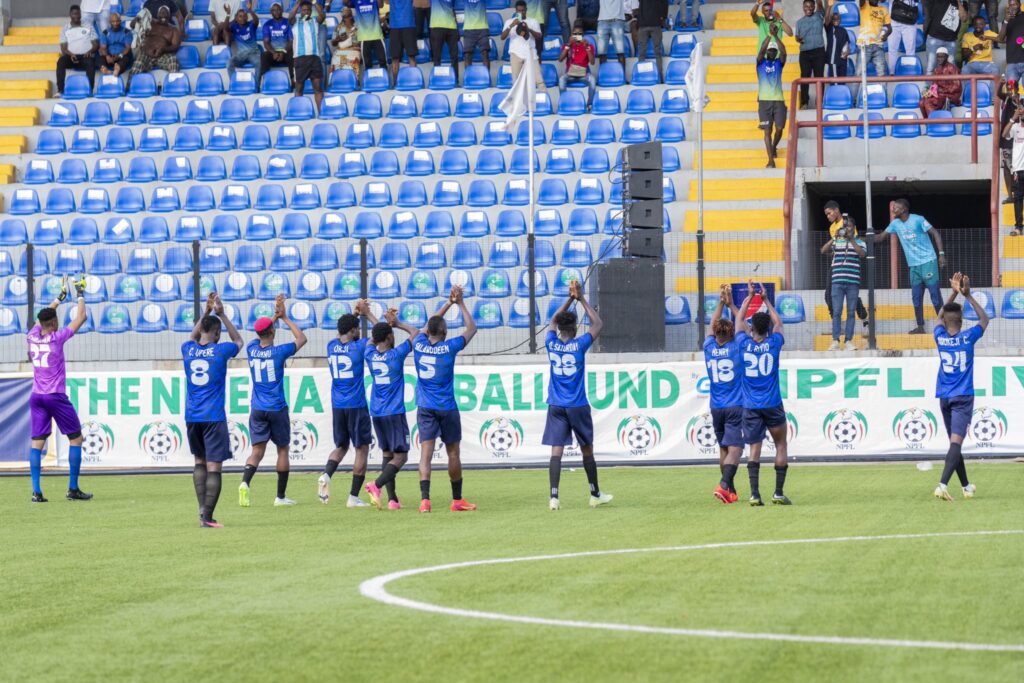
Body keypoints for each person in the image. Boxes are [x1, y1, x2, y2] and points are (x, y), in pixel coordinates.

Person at [544, 279, 612, 510]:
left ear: (560, 329)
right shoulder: (580, 344)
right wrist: (580, 298)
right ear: (573, 330)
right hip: (577, 404)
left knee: (556, 450)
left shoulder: (550, 342)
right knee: (586, 449)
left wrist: (568, 298)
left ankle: (554, 497)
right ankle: (595, 494)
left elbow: (552, 321)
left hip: (556, 405)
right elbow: (598, 323)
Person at [412, 287, 478, 513]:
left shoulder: (418, 344)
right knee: (453, 453)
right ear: (444, 332)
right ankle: (457, 500)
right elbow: (472, 328)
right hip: (447, 407)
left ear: (429, 331)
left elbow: (428, 326)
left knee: (426, 454)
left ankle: (425, 501)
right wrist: (460, 303)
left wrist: (448, 304)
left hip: (425, 407)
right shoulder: (449, 347)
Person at [238, 294, 307, 508]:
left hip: (257, 408)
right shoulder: (279, 352)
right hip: (276, 407)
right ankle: (280, 497)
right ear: (273, 331)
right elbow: (301, 338)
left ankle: (245, 482)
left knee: (256, 452)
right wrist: (283, 317)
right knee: (283, 450)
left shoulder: (251, 348)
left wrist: (273, 317)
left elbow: (264, 330)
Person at [26, 276, 91, 503]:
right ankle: (73, 488)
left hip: (37, 396)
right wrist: (79, 294)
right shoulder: (57, 338)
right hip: (55, 396)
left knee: (37, 442)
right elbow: (81, 317)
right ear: (54, 323)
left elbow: (41, 319)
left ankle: (36, 492)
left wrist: (58, 299)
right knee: (76, 438)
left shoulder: (32, 336)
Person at [183, 293, 243, 528]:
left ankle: (202, 511)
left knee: (199, 462)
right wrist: (222, 315)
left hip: (192, 416)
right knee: (214, 466)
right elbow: (239, 342)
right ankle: (207, 518)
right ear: (217, 333)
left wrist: (206, 313)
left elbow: (192, 336)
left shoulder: (187, 349)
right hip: (213, 416)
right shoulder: (221, 350)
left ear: (201, 330)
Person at [734, 282, 791, 506]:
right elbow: (779, 323)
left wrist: (749, 297)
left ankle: (755, 495)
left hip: (751, 406)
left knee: (754, 448)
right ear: (768, 329)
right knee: (781, 445)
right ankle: (778, 492)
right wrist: (766, 299)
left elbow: (739, 320)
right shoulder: (774, 342)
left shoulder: (743, 344)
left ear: (751, 329)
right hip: (772, 403)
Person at [932, 272, 986, 502]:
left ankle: (965, 486)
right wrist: (968, 295)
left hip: (944, 397)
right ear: (962, 321)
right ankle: (942, 485)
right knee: (956, 443)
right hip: (963, 397)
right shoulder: (968, 337)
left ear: (946, 322)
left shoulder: (939, 336)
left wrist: (954, 293)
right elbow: (984, 320)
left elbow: (938, 317)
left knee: (955, 443)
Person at [362, 302, 417, 510]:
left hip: (377, 412)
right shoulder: (397, 355)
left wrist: (373, 318)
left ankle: (392, 500)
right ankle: (375, 485)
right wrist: (397, 323)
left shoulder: (369, 354)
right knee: (401, 456)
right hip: (394, 412)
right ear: (389, 337)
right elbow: (416, 333)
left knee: (387, 454)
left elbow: (374, 338)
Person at [318, 307, 372, 507]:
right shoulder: (360, 347)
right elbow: (380, 334)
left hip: (338, 405)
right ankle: (353, 497)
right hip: (356, 404)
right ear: (353, 330)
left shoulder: (331, 346)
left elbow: (343, 332)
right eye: (356, 328)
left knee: (341, 447)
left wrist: (354, 316)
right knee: (361, 449)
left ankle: (326, 474)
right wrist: (365, 313)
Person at [874, 199, 947, 333]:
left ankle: (944, 325)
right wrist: (859, 238)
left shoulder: (918, 219)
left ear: (904, 209)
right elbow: (880, 238)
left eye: (896, 207)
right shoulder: (895, 223)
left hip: (928, 262)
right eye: (893, 207)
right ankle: (920, 327)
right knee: (916, 298)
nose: (893, 209)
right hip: (913, 266)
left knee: (935, 297)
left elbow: (935, 233)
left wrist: (941, 254)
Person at [705, 285, 744, 505]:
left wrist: (720, 303)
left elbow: (712, 326)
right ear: (731, 333)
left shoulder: (708, 347)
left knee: (723, 448)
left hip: (716, 406)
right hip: (735, 406)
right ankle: (723, 484)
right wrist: (731, 305)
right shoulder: (736, 347)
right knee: (736, 449)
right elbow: (744, 326)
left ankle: (730, 490)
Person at [820, 212, 867, 350]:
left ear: (854, 228)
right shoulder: (837, 241)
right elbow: (823, 250)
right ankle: (835, 341)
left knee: (851, 312)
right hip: (837, 282)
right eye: (845, 227)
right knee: (837, 312)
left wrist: (851, 240)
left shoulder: (860, 242)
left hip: (853, 282)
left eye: (850, 227)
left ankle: (848, 341)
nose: (847, 229)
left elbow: (862, 254)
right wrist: (834, 237)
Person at [127, 5, 181, 87]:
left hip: (163, 55)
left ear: (169, 16)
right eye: (161, 13)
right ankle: (129, 87)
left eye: (166, 13)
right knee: (138, 64)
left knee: (173, 60)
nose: (163, 15)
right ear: (157, 15)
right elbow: (132, 25)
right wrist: (137, 18)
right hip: (146, 53)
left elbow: (175, 46)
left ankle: (174, 87)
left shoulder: (173, 30)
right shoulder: (149, 23)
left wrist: (164, 49)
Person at [756, 29, 788, 168]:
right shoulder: (760, 63)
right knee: (767, 130)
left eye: (774, 51)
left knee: (779, 129)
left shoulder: (778, 63)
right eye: (770, 50)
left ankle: (774, 147)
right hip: (764, 101)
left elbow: (784, 52)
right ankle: (770, 160)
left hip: (778, 100)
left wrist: (776, 36)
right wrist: (769, 35)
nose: (772, 52)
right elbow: (761, 50)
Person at [290, 0, 326, 112]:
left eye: (308, 10)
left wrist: (314, 2)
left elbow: (322, 15)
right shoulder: (295, 22)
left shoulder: (315, 21)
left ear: (311, 12)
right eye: (304, 10)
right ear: (300, 11)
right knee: (299, 88)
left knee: (318, 88)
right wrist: (298, 3)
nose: (306, 12)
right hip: (300, 58)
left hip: (314, 58)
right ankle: (298, 113)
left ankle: (321, 114)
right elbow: (290, 17)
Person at [57, 5, 99, 97]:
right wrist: (70, 54)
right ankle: (60, 90)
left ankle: (89, 90)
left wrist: (90, 51)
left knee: (90, 62)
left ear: (80, 14)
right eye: (74, 14)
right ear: (70, 15)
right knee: (61, 61)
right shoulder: (65, 28)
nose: (76, 16)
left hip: (85, 56)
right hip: (71, 57)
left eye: (78, 13)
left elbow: (96, 44)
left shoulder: (88, 26)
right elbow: (63, 48)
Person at [502, 0, 544, 84]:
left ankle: (543, 92)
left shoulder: (533, 21)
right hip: (515, 54)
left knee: (539, 81)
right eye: (519, 11)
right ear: (515, 11)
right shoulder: (509, 22)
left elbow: (539, 36)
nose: (521, 12)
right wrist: (511, 25)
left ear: (526, 10)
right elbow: (502, 37)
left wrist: (529, 29)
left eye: (523, 10)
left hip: (531, 53)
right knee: (516, 82)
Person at [558, 22, 597, 108]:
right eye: (575, 34)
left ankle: (590, 104)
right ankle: (564, 102)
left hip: (583, 74)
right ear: (572, 34)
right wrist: (568, 45)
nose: (577, 36)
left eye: (579, 34)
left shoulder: (588, 45)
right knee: (561, 79)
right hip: (570, 74)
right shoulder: (568, 45)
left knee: (592, 80)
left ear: (583, 35)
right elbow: (560, 59)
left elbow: (592, 62)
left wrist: (587, 47)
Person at [795, 0, 825, 108]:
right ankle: (804, 102)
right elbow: (796, 37)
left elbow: (820, 5)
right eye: (806, 6)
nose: (808, 8)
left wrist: (818, 2)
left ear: (814, 7)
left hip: (819, 52)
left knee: (819, 77)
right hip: (805, 53)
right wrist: (798, 39)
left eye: (811, 6)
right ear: (803, 7)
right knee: (804, 77)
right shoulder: (799, 22)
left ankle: (819, 101)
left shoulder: (819, 15)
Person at [346, 0, 387, 80]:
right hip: (364, 38)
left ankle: (385, 81)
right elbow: (346, 3)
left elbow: (381, 5)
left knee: (383, 63)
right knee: (367, 65)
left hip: (377, 35)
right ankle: (368, 83)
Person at [923, 0, 966, 74]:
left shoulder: (961, 2)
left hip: (951, 40)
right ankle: (931, 82)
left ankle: (950, 82)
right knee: (931, 67)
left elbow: (964, 18)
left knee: (951, 68)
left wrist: (958, 2)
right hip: (935, 37)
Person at [221, 1, 261, 78]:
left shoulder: (251, 24)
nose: (242, 18)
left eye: (244, 16)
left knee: (259, 63)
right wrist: (228, 14)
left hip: (253, 54)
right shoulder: (234, 26)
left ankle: (256, 83)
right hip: (241, 55)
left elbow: (256, 21)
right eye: (240, 16)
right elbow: (225, 28)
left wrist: (250, 10)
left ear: (247, 17)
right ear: (236, 18)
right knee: (229, 63)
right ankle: (234, 82)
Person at [919, 46, 962, 116]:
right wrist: (930, 92)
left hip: (951, 95)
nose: (940, 59)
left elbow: (957, 86)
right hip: (939, 94)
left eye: (942, 57)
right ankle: (928, 121)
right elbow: (934, 85)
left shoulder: (952, 68)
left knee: (928, 102)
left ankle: (934, 121)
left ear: (947, 57)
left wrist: (942, 90)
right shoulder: (937, 69)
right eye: (938, 57)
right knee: (921, 102)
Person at [1003, 98, 1024, 234]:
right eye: (1021, 109)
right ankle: (1018, 227)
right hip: (1018, 170)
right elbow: (1004, 134)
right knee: (1018, 199)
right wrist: (1013, 118)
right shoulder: (1015, 127)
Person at [261, 2, 294, 89]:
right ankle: (265, 82)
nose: (276, 12)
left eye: (278, 9)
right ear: (271, 12)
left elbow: (291, 41)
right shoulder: (267, 24)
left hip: (286, 51)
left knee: (293, 56)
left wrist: (283, 52)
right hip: (273, 52)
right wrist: (273, 52)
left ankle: (293, 81)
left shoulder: (288, 23)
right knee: (264, 56)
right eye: (274, 10)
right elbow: (266, 42)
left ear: (282, 10)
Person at [636, 0, 668, 83]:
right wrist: (663, 17)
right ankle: (660, 77)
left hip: (643, 24)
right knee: (657, 52)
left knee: (642, 52)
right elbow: (664, 4)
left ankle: (641, 76)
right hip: (655, 23)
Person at [429, 0, 460, 85]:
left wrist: (457, 28)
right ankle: (437, 80)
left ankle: (455, 81)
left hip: (452, 27)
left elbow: (452, 8)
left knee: (454, 56)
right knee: (437, 57)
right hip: (436, 26)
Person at [858, 0, 891, 76]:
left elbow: (890, 29)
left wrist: (886, 35)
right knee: (859, 73)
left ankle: (882, 84)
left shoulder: (883, 9)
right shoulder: (864, 5)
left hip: (878, 46)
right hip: (864, 45)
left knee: (882, 73)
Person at [388, 0, 417, 86]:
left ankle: (409, 82)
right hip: (405, 25)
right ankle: (398, 83)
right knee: (402, 58)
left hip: (402, 25)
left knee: (403, 58)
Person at [888, 0, 921, 74]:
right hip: (894, 21)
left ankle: (909, 72)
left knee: (910, 50)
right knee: (892, 50)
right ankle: (892, 73)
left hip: (909, 22)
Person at [597, 0, 628, 79]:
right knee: (602, 54)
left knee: (620, 52)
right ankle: (603, 77)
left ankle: (623, 77)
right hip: (603, 21)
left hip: (617, 21)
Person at [1000, 77, 1018, 206]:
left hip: (1018, 141)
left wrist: (1016, 100)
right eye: (1008, 88)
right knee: (1006, 168)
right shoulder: (1005, 98)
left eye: (1012, 88)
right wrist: (1000, 84)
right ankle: (1010, 196)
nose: (1010, 91)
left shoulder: (1020, 100)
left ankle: (1018, 194)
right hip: (1006, 140)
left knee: (1019, 169)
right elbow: (998, 93)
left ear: (1016, 89)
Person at [97, 11, 134, 76]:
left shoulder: (126, 32)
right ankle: (105, 69)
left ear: (120, 21)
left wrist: (119, 56)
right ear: (110, 22)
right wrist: (107, 56)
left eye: (117, 21)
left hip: (121, 55)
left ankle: (117, 69)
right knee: (99, 58)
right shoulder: (105, 33)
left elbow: (127, 48)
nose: (115, 23)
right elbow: (103, 48)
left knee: (126, 58)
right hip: (109, 56)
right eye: (113, 22)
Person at [330, 9, 361, 85]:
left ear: (351, 16)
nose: (345, 19)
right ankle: (335, 83)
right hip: (341, 50)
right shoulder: (339, 27)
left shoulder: (357, 26)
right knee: (335, 61)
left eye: (346, 17)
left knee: (353, 60)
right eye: (343, 17)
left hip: (354, 50)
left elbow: (362, 41)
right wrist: (338, 39)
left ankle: (353, 82)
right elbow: (333, 43)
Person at [997, 0, 1024, 83]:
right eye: (1010, 5)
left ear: (1019, 4)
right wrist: (1005, 21)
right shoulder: (1006, 20)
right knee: (1011, 89)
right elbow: (1000, 39)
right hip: (1012, 61)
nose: (1012, 7)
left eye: (1014, 4)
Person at [462, 0, 491, 74]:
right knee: (467, 55)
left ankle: (487, 76)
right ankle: (468, 76)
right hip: (468, 28)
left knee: (485, 53)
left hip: (482, 28)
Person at [824, 2, 850, 77]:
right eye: (834, 19)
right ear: (831, 20)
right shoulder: (829, 28)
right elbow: (826, 18)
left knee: (842, 80)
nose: (836, 20)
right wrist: (829, 6)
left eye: (837, 19)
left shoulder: (844, 30)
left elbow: (847, 44)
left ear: (840, 20)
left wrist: (847, 51)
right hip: (833, 60)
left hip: (843, 60)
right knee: (835, 80)